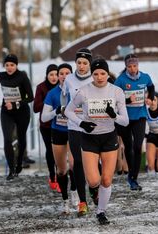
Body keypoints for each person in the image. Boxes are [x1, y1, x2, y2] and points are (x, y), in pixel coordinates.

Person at [65, 58, 129, 224]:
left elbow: (125, 121)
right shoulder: (84, 91)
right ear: (91, 74)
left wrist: (114, 115)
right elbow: (68, 111)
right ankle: (94, 193)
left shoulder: (116, 91)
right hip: (89, 138)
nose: (99, 77)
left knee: (106, 180)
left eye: (103, 73)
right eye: (96, 74)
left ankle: (101, 212)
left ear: (108, 74)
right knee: (93, 181)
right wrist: (82, 123)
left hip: (109, 137)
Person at [41, 63, 78, 214]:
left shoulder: (77, 92)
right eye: (60, 73)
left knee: (74, 165)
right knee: (61, 170)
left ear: (72, 75)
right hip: (58, 132)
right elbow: (44, 117)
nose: (63, 76)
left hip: (74, 130)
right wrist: (56, 111)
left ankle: (75, 192)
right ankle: (65, 201)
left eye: (67, 73)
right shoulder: (52, 93)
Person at [114, 53, 155, 191]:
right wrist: (127, 101)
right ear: (126, 66)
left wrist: (150, 97)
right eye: (130, 66)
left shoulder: (145, 77)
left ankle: (134, 177)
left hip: (140, 116)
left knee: (138, 147)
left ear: (138, 65)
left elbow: (151, 87)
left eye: (135, 65)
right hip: (125, 118)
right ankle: (131, 176)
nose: (132, 68)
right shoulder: (120, 80)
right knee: (128, 147)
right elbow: (113, 99)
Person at [0, 53, 34, 180]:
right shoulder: (1, 76)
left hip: (22, 111)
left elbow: (30, 97)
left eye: (12, 65)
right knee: (8, 139)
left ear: (16, 65)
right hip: (6, 112)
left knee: (21, 138)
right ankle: (11, 169)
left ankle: (20, 162)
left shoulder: (22, 76)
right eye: (7, 65)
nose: (9, 67)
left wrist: (15, 104)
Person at [62, 48, 93, 216]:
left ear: (90, 64)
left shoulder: (96, 77)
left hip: (94, 127)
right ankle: (82, 201)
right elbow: (63, 96)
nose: (81, 66)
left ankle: (95, 190)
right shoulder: (69, 79)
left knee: (93, 163)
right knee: (78, 163)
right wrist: (63, 108)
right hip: (74, 126)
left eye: (85, 63)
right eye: (79, 63)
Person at [33, 64, 60, 190]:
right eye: (51, 75)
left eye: (56, 74)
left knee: (60, 152)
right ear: (47, 75)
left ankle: (60, 176)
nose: (54, 77)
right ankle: (52, 176)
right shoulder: (41, 87)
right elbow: (35, 108)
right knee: (50, 150)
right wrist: (49, 100)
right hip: (46, 125)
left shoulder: (63, 87)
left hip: (61, 124)